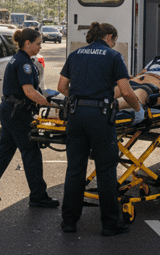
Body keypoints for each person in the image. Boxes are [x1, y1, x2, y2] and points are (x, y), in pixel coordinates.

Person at [57, 22, 141, 236]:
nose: (114, 43)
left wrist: (81, 98)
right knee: (105, 171)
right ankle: (110, 224)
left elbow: (61, 87)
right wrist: (138, 109)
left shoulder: (76, 54)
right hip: (100, 117)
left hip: (76, 115)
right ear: (109, 37)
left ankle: (69, 221)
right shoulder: (113, 56)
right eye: (114, 40)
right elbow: (126, 91)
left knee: (75, 169)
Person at [0, 28, 58, 208]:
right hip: (17, 113)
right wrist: (49, 105)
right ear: (27, 43)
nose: (40, 46)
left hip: (10, 110)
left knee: (4, 151)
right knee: (31, 151)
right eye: (38, 43)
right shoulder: (23, 63)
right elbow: (29, 91)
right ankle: (38, 196)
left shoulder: (20, 60)